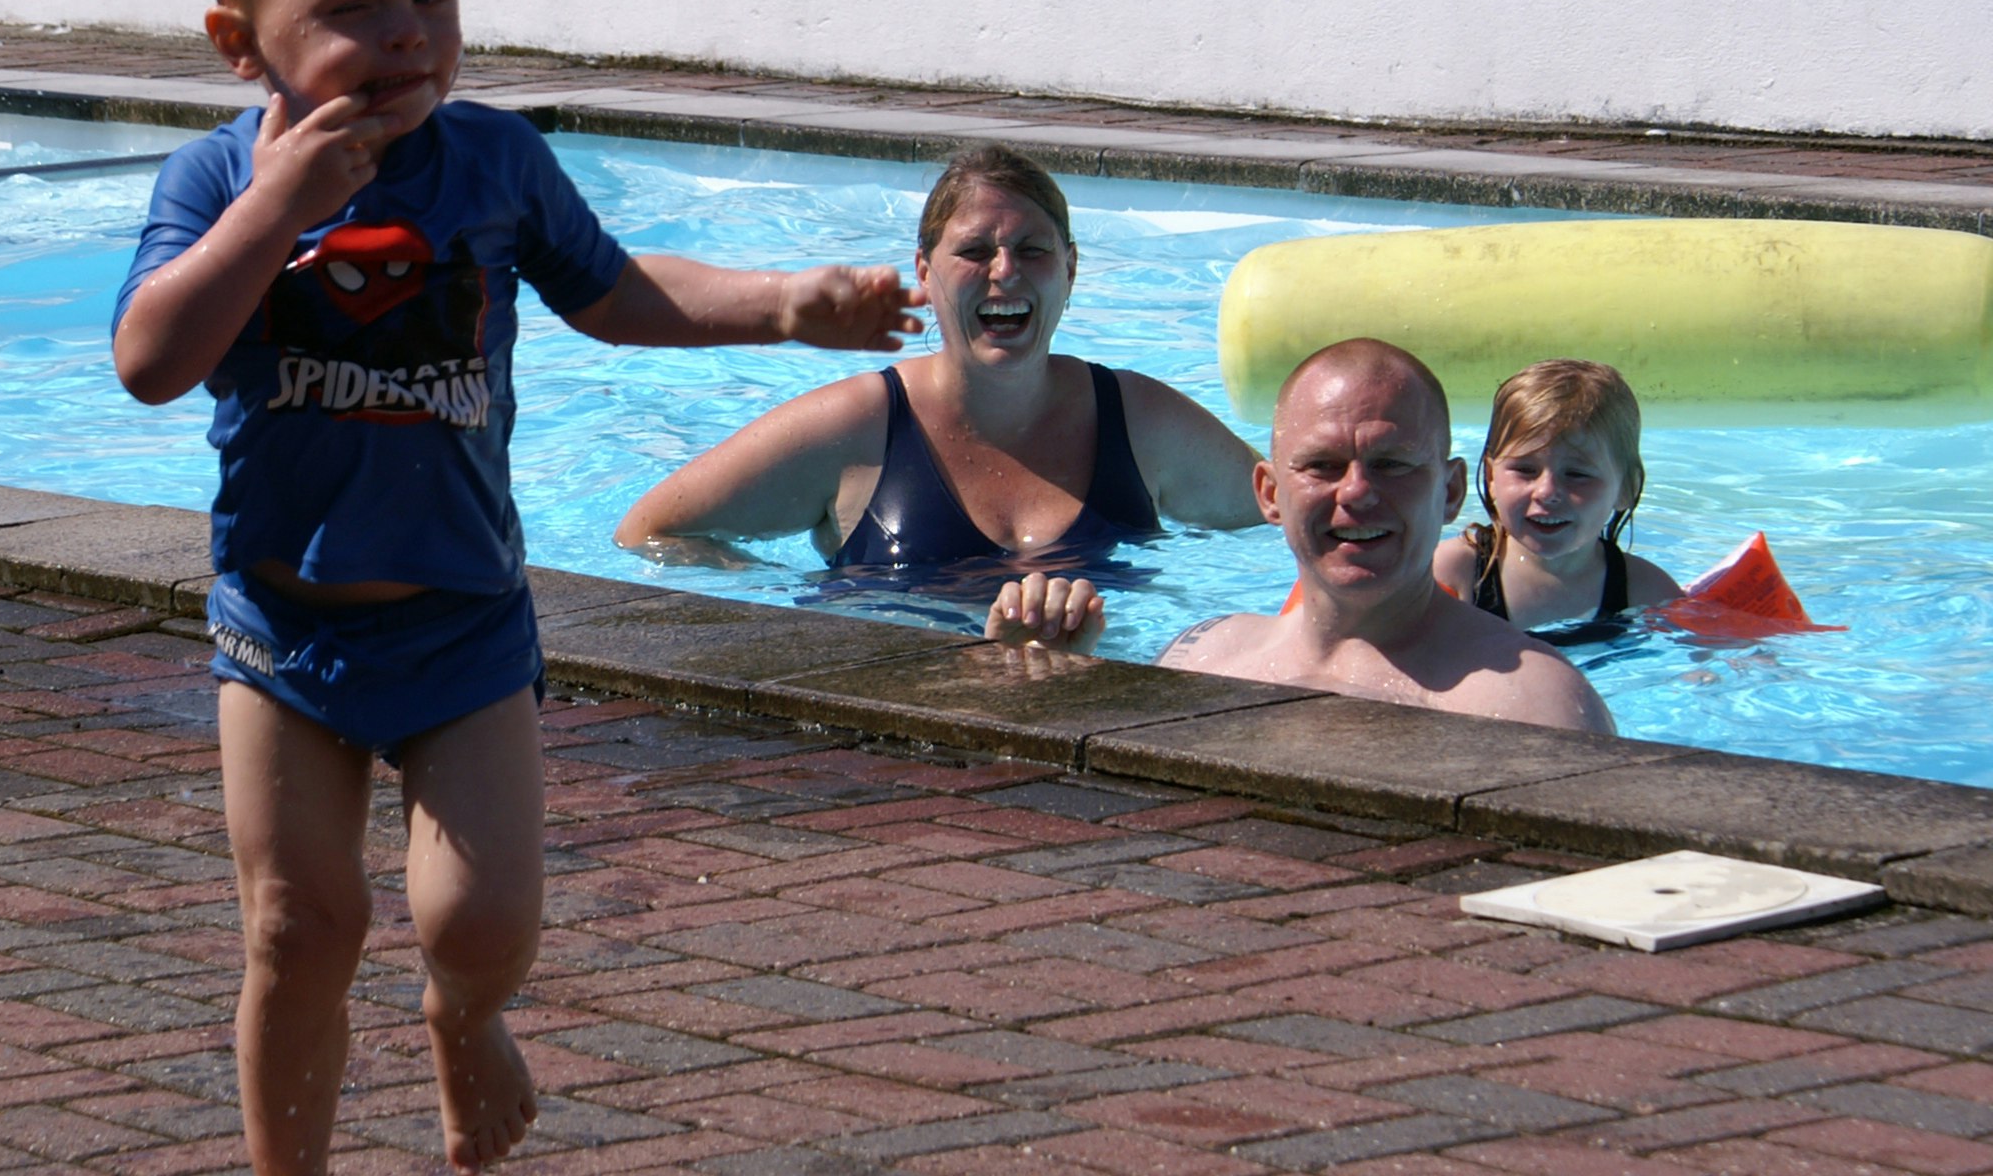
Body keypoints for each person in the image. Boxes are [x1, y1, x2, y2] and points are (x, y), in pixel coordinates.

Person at [111, 0, 919, 1175]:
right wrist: (274, 209)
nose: (407, 34)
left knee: (480, 922)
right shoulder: (211, 182)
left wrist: (785, 307)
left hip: (462, 622)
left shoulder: (493, 163)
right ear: (238, 40)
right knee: (296, 928)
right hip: (284, 622)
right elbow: (149, 359)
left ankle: (461, 1021)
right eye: (354, 7)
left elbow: (614, 294)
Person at [614, 147, 1261, 592]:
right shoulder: (860, 428)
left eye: (1031, 250)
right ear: (924, 272)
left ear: (1070, 268)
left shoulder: (1138, 419)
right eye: (975, 251)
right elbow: (648, 532)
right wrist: (798, 598)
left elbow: (1286, 513)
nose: (1004, 271)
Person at [1162, 337, 1616, 733]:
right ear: (1270, 493)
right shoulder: (1203, 660)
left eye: (1392, 464)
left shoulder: (1534, 704)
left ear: (1451, 491)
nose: (1357, 491)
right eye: (1323, 464)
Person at [1438, 358, 1681, 635]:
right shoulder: (1455, 574)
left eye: (1577, 474)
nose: (1547, 492)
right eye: (1525, 470)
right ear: (1492, 479)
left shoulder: (1645, 590)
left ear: (1627, 488)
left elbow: (1695, 667)